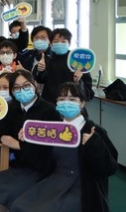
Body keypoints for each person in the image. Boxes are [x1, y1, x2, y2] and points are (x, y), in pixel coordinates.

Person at [9, 82, 118, 212]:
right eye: (61, 99)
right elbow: (41, 162)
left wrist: (94, 144)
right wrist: (27, 141)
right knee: (19, 205)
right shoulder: (52, 130)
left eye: (72, 99)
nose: (66, 103)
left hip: (83, 188)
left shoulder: (94, 131)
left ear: (82, 103)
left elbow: (110, 168)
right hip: (55, 181)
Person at [0, 70, 60, 211]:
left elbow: (51, 149)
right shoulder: (12, 108)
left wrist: (20, 145)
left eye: (26, 85)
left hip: (41, 169)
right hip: (18, 166)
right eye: (16, 87)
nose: (22, 90)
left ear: (34, 85)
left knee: (10, 198)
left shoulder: (50, 111)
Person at [34, 27, 94, 104]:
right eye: (56, 41)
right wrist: (39, 70)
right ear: (51, 44)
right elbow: (39, 80)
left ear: (69, 43)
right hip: (49, 104)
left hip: (71, 104)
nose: (60, 44)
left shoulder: (77, 61)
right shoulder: (46, 60)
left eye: (63, 41)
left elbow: (88, 93)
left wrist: (78, 81)